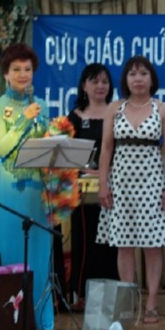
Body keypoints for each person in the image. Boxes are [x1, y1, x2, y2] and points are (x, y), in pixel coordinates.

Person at [97, 55, 165, 324]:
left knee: (153, 246)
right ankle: (128, 300)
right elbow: (106, 148)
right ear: (125, 80)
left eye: (143, 74)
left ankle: (152, 302)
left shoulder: (163, 109)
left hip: (153, 182)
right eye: (132, 74)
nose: (138, 79)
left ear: (152, 79)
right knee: (124, 245)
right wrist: (103, 184)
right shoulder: (115, 108)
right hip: (121, 184)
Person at [0, 42, 54, 330]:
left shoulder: (42, 106)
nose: (22, 74)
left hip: (36, 190)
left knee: (38, 251)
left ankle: (38, 319)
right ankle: (7, 319)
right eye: (16, 69)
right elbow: (3, 147)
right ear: (6, 73)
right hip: (9, 188)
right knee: (11, 248)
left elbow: (48, 147)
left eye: (27, 69)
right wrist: (22, 120)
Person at [67, 63, 119, 311]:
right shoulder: (74, 117)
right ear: (84, 86)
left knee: (111, 244)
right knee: (84, 241)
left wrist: (105, 172)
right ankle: (81, 295)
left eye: (105, 81)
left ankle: (113, 295)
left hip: (114, 186)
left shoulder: (118, 113)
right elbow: (67, 153)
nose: (100, 86)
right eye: (95, 81)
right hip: (83, 188)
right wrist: (87, 171)